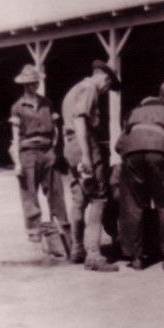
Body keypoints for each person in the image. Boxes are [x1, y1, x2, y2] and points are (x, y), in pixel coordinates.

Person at [116, 81, 164, 270]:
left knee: (132, 205)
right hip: (158, 154)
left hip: (131, 154)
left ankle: (136, 258)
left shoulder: (135, 111)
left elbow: (119, 145)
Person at [61, 59, 121, 272]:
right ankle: (94, 255)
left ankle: (77, 249)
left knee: (79, 198)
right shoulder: (89, 89)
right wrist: (87, 155)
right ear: (104, 78)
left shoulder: (74, 89)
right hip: (85, 144)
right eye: (108, 87)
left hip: (70, 145)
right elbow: (80, 120)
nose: (106, 91)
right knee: (99, 198)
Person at [9, 64, 69, 243]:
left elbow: (57, 128)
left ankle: (62, 224)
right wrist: (17, 162)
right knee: (29, 192)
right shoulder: (17, 107)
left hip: (47, 150)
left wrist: (55, 148)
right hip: (27, 152)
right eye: (29, 83)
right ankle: (34, 229)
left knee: (56, 190)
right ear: (24, 85)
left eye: (35, 82)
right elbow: (15, 135)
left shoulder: (47, 103)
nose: (33, 86)